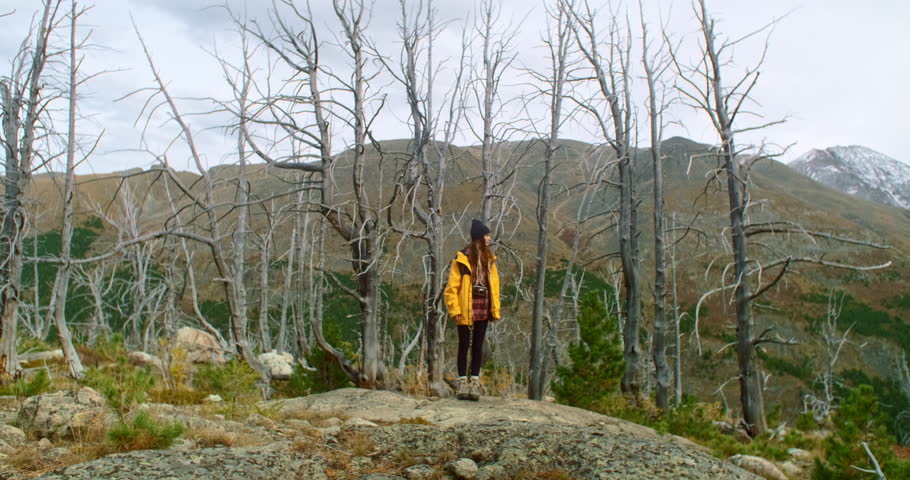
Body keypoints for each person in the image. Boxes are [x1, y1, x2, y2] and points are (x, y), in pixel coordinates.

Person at [444, 219, 501, 401]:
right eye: (486, 235)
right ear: (479, 237)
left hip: (483, 306)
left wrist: (495, 308)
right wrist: (455, 309)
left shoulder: (490, 260)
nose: (489, 238)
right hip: (466, 307)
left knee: (478, 345)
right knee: (463, 344)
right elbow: (451, 288)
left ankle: (474, 382)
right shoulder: (461, 259)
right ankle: (462, 383)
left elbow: (496, 286)